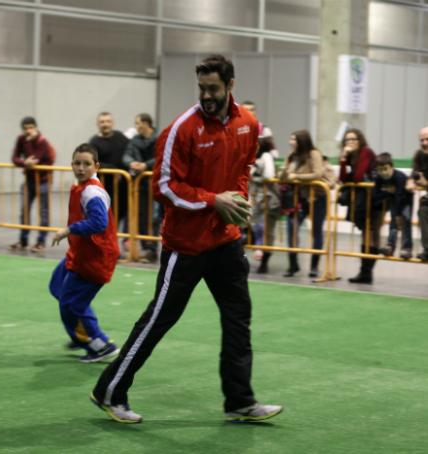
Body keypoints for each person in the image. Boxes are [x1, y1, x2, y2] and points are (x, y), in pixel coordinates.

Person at [91, 55, 282, 424]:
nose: (207, 96)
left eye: (213, 88)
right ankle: (109, 391)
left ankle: (239, 401)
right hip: (186, 246)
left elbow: (242, 169)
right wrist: (214, 201)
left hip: (226, 242)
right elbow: (164, 187)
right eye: (202, 88)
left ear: (230, 86)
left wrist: (236, 202)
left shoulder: (249, 124)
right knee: (159, 319)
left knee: (238, 317)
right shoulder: (181, 128)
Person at [49, 144, 120, 363]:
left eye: (86, 164)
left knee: (71, 305)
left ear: (96, 166)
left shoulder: (91, 192)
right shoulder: (80, 186)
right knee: (57, 285)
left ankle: (99, 345)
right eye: (77, 163)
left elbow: (99, 222)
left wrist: (69, 230)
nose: (81, 168)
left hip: (96, 258)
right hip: (81, 253)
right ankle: (80, 332)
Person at [279, 130, 327, 278]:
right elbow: (282, 177)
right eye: (291, 139)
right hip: (297, 199)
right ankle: (293, 265)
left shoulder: (314, 154)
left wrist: (297, 176)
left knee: (316, 231)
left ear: (302, 141)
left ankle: (314, 266)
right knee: (291, 229)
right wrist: (283, 172)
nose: (290, 142)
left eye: (294, 139)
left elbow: (318, 173)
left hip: (317, 197)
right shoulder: (291, 156)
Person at [10, 116, 56, 253]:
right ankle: (23, 240)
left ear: (36, 127)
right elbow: (14, 158)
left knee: (43, 212)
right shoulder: (21, 139)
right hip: (28, 181)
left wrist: (28, 159)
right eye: (25, 129)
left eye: (31, 128)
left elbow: (37, 158)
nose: (28, 131)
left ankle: (41, 241)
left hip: (43, 182)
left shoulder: (42, 141)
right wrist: (24, 163)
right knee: (24, 211)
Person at [338, 128, 378, 284]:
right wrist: (343, 158)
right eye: (347, 140)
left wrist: (350, 175)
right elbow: (343, 178)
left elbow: (358, 176)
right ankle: (365, 273)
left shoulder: (366, 152)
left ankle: (366, 273)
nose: (350, 142)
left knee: (371, 234)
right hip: (362, 200)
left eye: (353, 139)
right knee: (367, 234)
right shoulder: (349, 156)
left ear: (360, 140)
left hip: (374, 199)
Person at [89, 112, 129, 248]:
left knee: (123, 216)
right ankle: (106, 246)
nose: (105, 124)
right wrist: (113, 170)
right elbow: (93, 161)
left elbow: (130, 153)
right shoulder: (93, 142)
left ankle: (121, 244)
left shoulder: (121, 138)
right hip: (104, 189)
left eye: (108, 121)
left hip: (124, 187)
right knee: (107, 219)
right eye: (102, 122)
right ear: (97, 124)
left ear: (112, 123)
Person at [123, 113, 159, 263]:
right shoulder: (134, 141)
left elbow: (162, 157)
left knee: (155, 218)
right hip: (140, 185)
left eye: (138, 123)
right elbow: (126, 155)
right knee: (141, 217)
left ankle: (152, 250)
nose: (136, 126)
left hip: (156, 185)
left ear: (146, 123)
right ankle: (145, 249)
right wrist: (131, 163)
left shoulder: (159, 139)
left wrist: (146, 165)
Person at [372, 153, 413, 260]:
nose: (383, 173)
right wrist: (388, 192)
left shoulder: (399, 177)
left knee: (405, 223)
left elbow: (400, 195)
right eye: (380, 170)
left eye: (385, 169)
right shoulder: (378, 178)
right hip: (393, 199)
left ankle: (407, 248)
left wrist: (399, 215)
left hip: (406, 200)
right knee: (393, 223)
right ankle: (390, 246)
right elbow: (375, 195)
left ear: (392, 166)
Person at [249, 130, 280, 274]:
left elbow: (269, 175)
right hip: (255, 199)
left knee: (268, 231)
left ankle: (265, 261)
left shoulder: (266, 156)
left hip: (267, 199)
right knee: (256, 227)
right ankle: (258, 252)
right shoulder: (251, 158)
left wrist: (254, 177)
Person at [407, 126, 428, 261]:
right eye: (422, 140)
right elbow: (414, 174)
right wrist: (410, 182)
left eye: (427, 139)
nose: (424, 143)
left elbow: (423, 181)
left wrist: (424, 183)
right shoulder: (419, 155)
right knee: (423, 210)